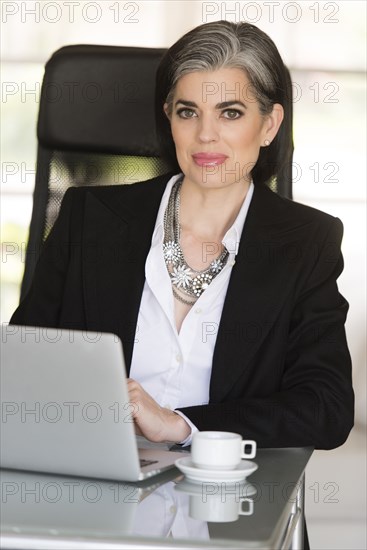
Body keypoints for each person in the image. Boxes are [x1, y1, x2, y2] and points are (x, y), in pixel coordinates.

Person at [10, 21, 354, 450]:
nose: (205, 134)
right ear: (169, 117)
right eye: (188, 111)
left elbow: (327, 408)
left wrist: (180, 424)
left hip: (228, 490)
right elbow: (22, 373)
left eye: (231, 112)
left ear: (269, 125)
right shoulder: (89, 219)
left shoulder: (307, 242)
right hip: (93, 475)